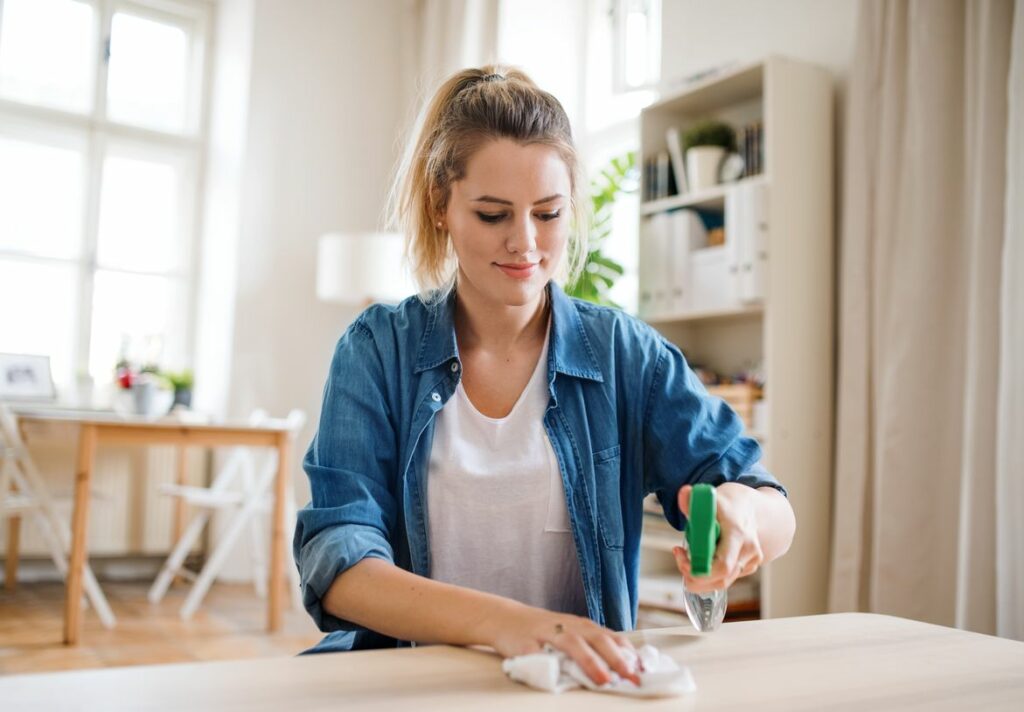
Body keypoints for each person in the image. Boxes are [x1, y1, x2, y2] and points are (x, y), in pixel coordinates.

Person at [293, 65, 795, 685]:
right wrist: (512, 625)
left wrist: (744, 516)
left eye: (549, 213)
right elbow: (338, 562)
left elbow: (769, 502)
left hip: (576, 691)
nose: (525, 243)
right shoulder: (376, 352)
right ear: (441, 206)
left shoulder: (624, 355)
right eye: (493, 214)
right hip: (412, 686)